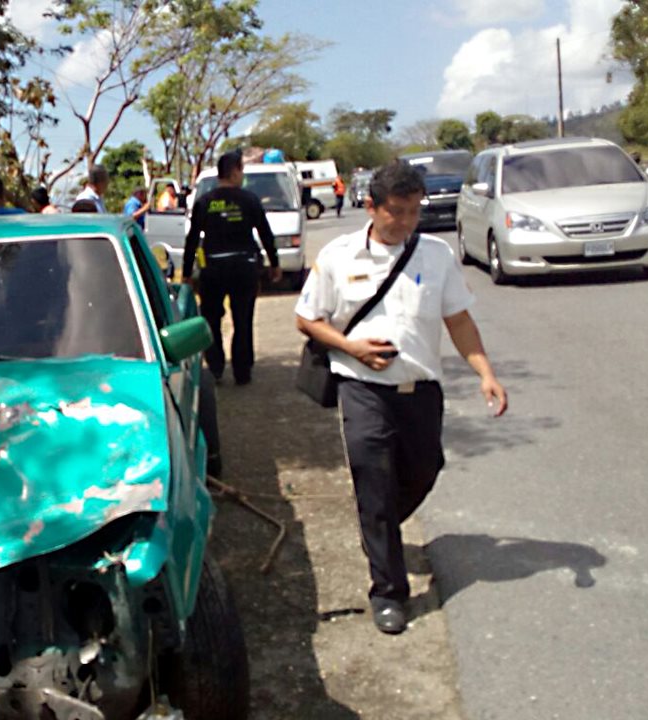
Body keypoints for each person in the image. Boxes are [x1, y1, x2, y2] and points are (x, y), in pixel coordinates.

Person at [295, 161, 508, 635]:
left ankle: (380, 529)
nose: (407, 221)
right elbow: (307, 319)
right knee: (373, 478)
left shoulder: (435, 255)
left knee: (424, 469)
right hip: (361, 388)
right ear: (371, 206)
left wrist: (486, 373)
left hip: (421, 390)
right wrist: (350, 347)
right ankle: (389, 591)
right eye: (397, 211)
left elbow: (458, 320)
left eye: (415, 210)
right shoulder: (338, 256)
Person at [182, 150, 282, 385]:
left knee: (212, 319)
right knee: (242, 319)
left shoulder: (205, 202)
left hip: (212, 268)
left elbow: (192, 239)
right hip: (243, 267)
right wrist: (274, 263)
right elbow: (266, 234)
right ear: (235, 172)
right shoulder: (249, 200)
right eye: (241, 171)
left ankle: (216, 367)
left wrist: (186, 273)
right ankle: (242, 371)